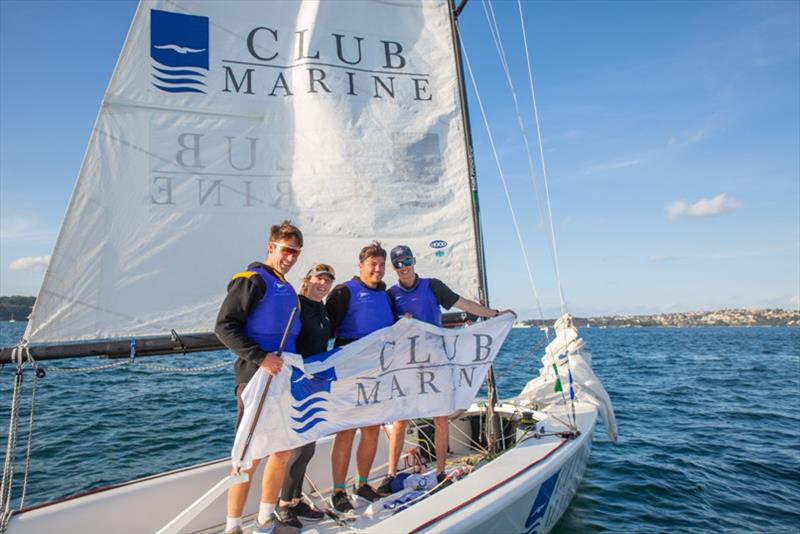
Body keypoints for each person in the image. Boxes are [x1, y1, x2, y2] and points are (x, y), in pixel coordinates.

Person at [379, 244, 515, 494]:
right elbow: (383, 326)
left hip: (436, 360)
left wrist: (495, 314)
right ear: (392, 268)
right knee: (400, 419)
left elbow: (464, 304)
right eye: (397, 264)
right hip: (407, 365)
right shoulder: (390, 295)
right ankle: (390, 475)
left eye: (406, 261)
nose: (403, 268)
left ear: (414, 260)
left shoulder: (433, 286)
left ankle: (441, 472)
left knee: (440, 417)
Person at [215, 220, 304, 534]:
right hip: (256, 377)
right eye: (286, 250)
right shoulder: (252, 280)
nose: (291, 257)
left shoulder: (289, 288)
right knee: (247, 456)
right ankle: (233, 527)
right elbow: (224, 326)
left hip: (283, 378)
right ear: (271, 247)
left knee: (281, 450)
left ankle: (265, 521)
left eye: (296, 252)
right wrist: (261, 357)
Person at [325, 241, 395, 512]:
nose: (377, 270)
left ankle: (362, 483)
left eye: (380, 265)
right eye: (372, 264)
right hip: (349, 370)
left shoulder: (385, 294)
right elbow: (325, 329)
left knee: (372, 429)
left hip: (378, 370)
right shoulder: (344, 292)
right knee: (346, 431)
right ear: (361, 265)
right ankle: (339, 490)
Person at [274, 264, 336, 529]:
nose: (323, 283)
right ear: (307, 280)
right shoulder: (296, 305)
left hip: (314, 380)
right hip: (293, 380)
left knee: (308, 445)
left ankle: (296, 499)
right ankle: (282, 505)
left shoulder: (323, 309)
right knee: (298, 448)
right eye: (319, 278)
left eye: (328, 280)